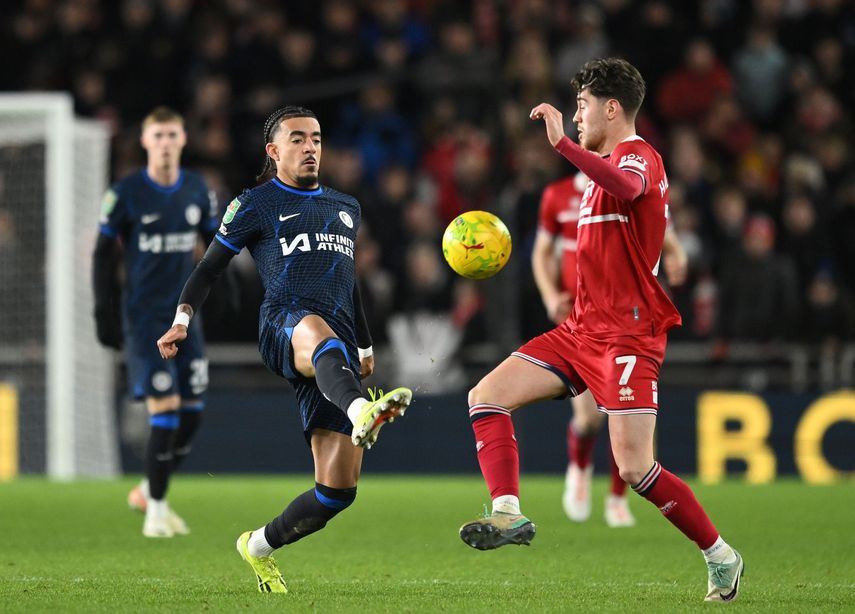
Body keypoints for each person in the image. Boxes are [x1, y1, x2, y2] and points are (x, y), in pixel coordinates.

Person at [458, 58, 743, 603]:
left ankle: (721, 556)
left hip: (629, 338)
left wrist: (566, 146)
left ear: (613, 108)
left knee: (636, 467)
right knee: (486, 397)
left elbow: (631, 191)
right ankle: (508, 512)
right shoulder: (595, 175)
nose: (576, 115)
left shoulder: (639, 157)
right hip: (581, 330)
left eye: (583, 106)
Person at [156, 105, 412, 594]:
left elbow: (349, 282)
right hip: (284, 325)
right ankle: (362, 410)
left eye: (316, 138)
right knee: (315, 329)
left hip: (333, 351)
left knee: (336, 494)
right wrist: (181, 319)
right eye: (297, 139)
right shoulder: (254, 203)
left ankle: (257, 546)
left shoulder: (347, 207)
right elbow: (209, 268)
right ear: (273, 151)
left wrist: (364, 343)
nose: (310, 147)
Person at [92, 106, 219, 538]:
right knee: (164, 409)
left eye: (172, 135)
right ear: (145, 142)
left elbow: (214, 244)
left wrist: (230, 288)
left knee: (193, 413)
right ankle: (157, 512)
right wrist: (103, 308)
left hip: (186, 317)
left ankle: (149, 489)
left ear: (183, 140)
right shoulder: (126, 192)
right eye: (158, 136)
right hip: (145, 318)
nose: (165, 143)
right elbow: (101, 255)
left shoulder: (198, 189)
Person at [533, 172, 688, 527]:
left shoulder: (629, 183)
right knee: (589, 418)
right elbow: (541, 253)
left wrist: (676, 252)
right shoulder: (556, 195)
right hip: (580, 319)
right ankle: (580, 468)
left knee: (631, 420)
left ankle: (618, 499)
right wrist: (549, 295)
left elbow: (662, 224)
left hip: (627, 320)